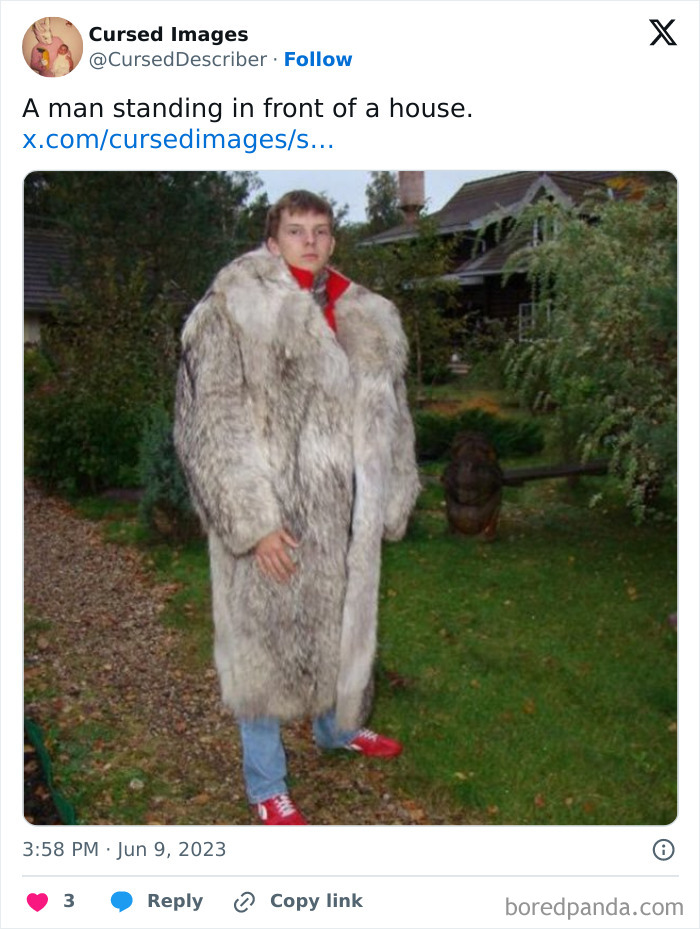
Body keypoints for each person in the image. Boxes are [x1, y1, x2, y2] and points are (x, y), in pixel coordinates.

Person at [174, 190, 419, 824]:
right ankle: (265, 785)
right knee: (263, 649)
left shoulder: (365, 313)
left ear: (333, 239)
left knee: (339, 631)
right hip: (275, 517)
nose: (309, 241)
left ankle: (336, 730)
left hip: (344, 520)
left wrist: (392, 496)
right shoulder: (233, 308)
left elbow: (392, 415)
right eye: (295, 230)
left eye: (321, 230)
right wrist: (252, 526)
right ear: (272, 239)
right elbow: (211, 427)